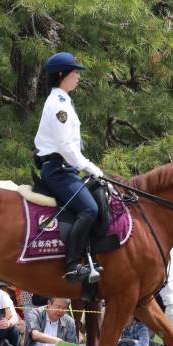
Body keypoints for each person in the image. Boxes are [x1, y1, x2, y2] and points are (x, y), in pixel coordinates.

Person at [33, 51, 105, 284]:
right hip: (58, 170)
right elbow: (66, 146)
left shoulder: (64, 100)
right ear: (62, 74)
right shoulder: (58, 104)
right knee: (90, 210)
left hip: (66, 168)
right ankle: (73, 265)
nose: (78, 76)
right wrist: (90, 167)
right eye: (75, 72)